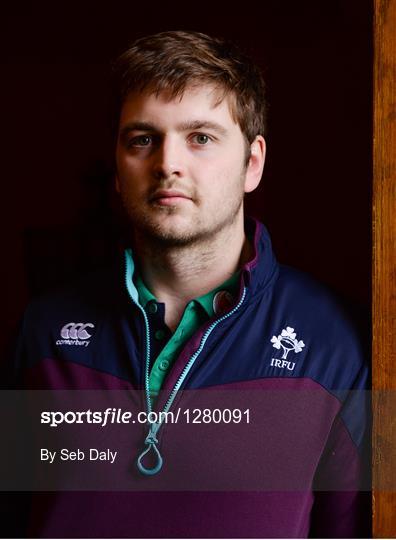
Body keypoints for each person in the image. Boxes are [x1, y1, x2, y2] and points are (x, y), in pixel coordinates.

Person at [11, 30, 369, 538]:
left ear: (252, 163)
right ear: (117, 166)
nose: (167, 164)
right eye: (142, 139)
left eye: (200, 137)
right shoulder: (45, 330)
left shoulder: (338, 342)